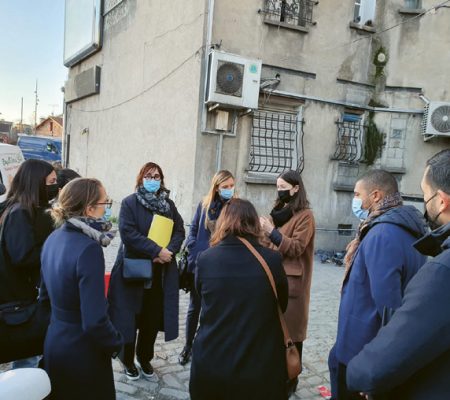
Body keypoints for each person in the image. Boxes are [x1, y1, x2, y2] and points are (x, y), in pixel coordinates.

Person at [345, 150, 450, 399]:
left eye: (426, 194)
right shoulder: (397, 228)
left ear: (443, 200)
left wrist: (353, 370)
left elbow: (389, 307)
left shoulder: (384, 235)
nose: (425, 203)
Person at [328, 169, 428, 399]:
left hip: (361, 352)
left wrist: (378, 367)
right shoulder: (402, 228)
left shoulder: (382, 233)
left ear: (375, 195)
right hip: (360, 347)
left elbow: (389, 306)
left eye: (357, 194)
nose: (355, 200)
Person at [189, 199, 288, 400]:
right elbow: (281, 303)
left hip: (212, 360)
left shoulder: (206, 259)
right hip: (260, 364)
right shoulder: (272, 259)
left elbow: (201, 296)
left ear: (223, 222)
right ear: (254, 223)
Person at [40, 178, 122, 399]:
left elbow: (43, 299)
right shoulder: (89, 248)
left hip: (55, 342)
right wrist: (115, 342)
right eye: (106, 202)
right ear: (89, 208)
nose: (108, 208)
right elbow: (94, 319)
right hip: (82, 352)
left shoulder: (52, 238)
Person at [108, 162, 185, 380]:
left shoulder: (168, 205)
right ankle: (127, 360)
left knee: (151, 319)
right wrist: (156, 251)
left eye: (157, 176)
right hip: (132, 272)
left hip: (159, 275)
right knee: (129, 319)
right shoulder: (129, 203)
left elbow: (179, 230)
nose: (153, 179)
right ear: (141, 178)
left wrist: (169, 250)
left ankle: (145, 358)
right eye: (149, 176)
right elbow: (128, 233)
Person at [0, 159, 58, 369]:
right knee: (27, 357)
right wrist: (55, 245)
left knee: (29, 355)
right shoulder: (19, 213)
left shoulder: (30, 210)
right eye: (51, 181)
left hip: (24, 297)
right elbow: (23, 256)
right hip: (17, 299)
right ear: (36, 183)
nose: (55, 186)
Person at [178, 169, 236, 366]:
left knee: (215, 309)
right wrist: (195, 249)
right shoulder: (204, 205)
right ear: (217, 187)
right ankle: (187, 346)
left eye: (231, 186)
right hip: (200, 264)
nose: (229, 190)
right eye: (225, 186)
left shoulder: (235, 208)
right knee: (195, 307)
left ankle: (207, 347)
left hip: (223, 267)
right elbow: (193, 230)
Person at [260, 169, 315, 364]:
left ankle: (292, 376)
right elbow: (267, 244)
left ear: (296, 188)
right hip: (273, 279)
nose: (279, 191)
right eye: (278, 187)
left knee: (291, 334)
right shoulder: (278, 213)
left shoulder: (305, 216)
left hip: (293, 285)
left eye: (283, 187)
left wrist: (271, 231)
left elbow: (296, 247)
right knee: (273, 332)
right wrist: (262, 234)